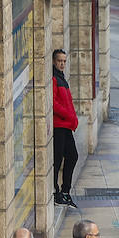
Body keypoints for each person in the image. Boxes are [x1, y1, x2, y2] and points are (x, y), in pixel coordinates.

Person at [52, 48, 81, 207]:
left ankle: (65, 191)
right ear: (54, 62)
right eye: (59, 61)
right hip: (59, 126)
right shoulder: (54, 79)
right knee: (57, 160)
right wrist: (70, 117)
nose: (62, 64)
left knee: (72, 156)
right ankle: (57, 192)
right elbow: (54, 103)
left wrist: (73, 118)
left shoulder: (62, 78)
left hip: (66, 126)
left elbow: (67, 102)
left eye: (64, 61)